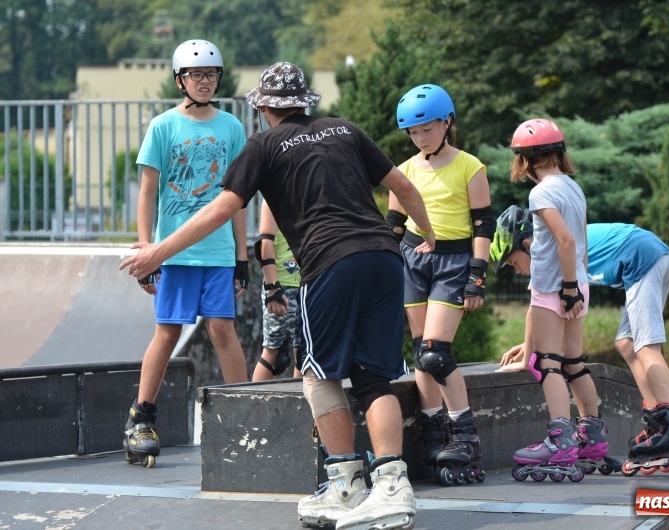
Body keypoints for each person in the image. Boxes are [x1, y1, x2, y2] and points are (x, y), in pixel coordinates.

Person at [120, 61, 435, 530]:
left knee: (318, 375)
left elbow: (222, 208)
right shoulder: (345, 130)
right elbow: (404, 187)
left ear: (264, 106)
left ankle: (346, 485)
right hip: (384, 257)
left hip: (330, 263)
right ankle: (392, 486)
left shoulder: (263, 144)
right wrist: (426, 235)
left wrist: (157, 252)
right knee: (374, 379)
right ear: (304, 102)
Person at [123, 39, 250, 469]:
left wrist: (242, 257)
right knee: (168, 332)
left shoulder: (232, 127)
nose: (204, 81)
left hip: (217, 252)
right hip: (174, 253)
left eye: (211, 74)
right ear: (180, 79)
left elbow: (237, 198)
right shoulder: (163, 127)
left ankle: (246, 413)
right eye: (196, 74)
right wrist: (147, 250)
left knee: (222, 330)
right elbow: (147, 192)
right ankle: (141, 418)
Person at [494, 213, 669, 475]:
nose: (518, 270)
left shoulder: (546, 254)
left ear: (527, 245)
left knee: (646, 346)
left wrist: (526, 358)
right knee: (627, 343)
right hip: (652, 254)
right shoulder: (552, 247)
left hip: (643, 258)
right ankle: (658, 420)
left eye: (513, 262)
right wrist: (526, 343)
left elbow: (536, 309)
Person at [388, 84, 494, 486]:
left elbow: (484, 222)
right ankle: (432, 432)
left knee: (435, 353)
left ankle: (464, 435)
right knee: (420, 353)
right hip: (413, 259)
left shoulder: (470, 166)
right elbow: (394, 226)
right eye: (413, 133)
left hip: (454, 261)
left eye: (426, 130)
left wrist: (477, 275)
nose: (420, 138)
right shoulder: (407, 169)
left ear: (447, 122)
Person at [492, 119, 602, 483]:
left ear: (525, 158)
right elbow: (581, 240)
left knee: (547, 364)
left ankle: (561, 441)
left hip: (555, 286)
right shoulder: (573, 187)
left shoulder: (540, 193)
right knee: (574, 363)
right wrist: (577, 286)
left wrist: (566, 286)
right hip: (577, 285)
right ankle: (592, 435)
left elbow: (566, 241)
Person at [252, 199, 302, 381]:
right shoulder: (272, 198)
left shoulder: (309, 193)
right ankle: (253, 406)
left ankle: (300, 407)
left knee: (304, 353)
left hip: (307, 284)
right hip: (282, 285)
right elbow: (264, 243)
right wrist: (272, 288)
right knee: (273, 353)